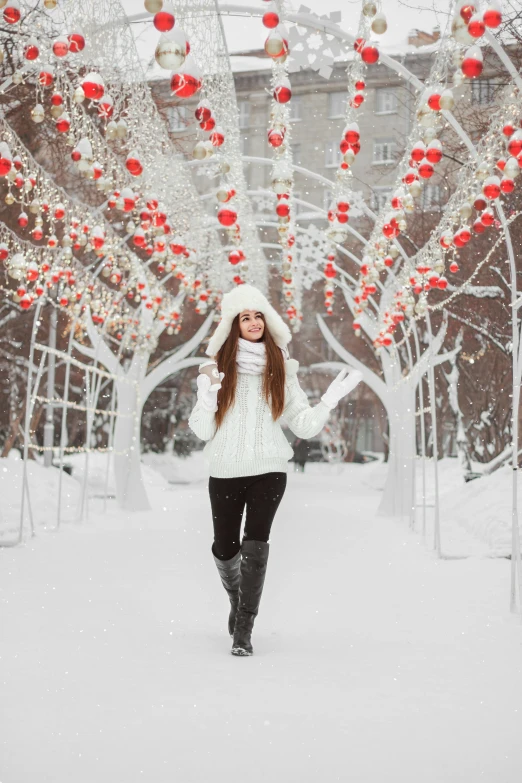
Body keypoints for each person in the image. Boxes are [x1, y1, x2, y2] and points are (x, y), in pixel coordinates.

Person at [188, 285, 362, 657]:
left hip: (269, 470)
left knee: (256, 546)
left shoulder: (282, 369)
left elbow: (303, 425)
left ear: (268, 321)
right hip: (225, 470)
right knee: (224, 548)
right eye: (244, 317)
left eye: (258, 315)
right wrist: (207, 397)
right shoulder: (215, 371)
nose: (252, 322)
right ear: (233, 327)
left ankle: (244, 628)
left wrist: (327, 402)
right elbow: (203, 430)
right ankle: (238, 602)